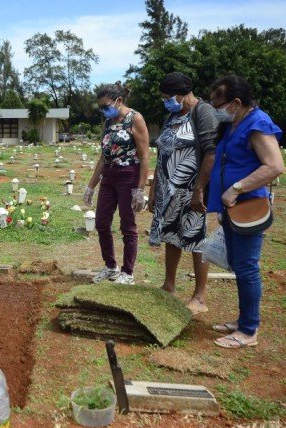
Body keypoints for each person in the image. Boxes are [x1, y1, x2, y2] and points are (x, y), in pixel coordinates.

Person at [207, 75, 284, 349]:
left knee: (248, 268)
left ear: (236, 102)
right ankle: (243, 320)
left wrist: (237, 188)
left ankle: (249, 331)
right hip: (230, 208)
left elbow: (274, 165)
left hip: (247, 208)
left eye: (219, 104)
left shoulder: (258, 123)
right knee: (239, 267)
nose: (216, 109)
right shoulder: (233, 124)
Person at [149, 72, 217, 315]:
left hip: (191, 189)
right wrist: (154, 188)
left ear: (180, 94)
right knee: (171, 236)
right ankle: (169, 285)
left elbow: (210, 152)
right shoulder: (172, 116)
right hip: (169, 189)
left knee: (197, 239)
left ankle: (199, 296)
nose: (166, 101)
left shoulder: (203, 112)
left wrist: (199, 189)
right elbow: (163, 155)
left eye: (168, 97)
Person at [84, 82, 150, 285]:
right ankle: (111, 266)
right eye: (101, 107)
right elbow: (103, 157)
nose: (104, 110)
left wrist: (140, 189)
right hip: (109, 177)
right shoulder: (108, 123)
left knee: (127, 225)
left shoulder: (135, 119)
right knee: (102, 222)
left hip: (128, 176)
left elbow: (145, 155)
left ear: (119, 101)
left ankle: (127, 272)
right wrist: (91, 186)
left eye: (106, 106)